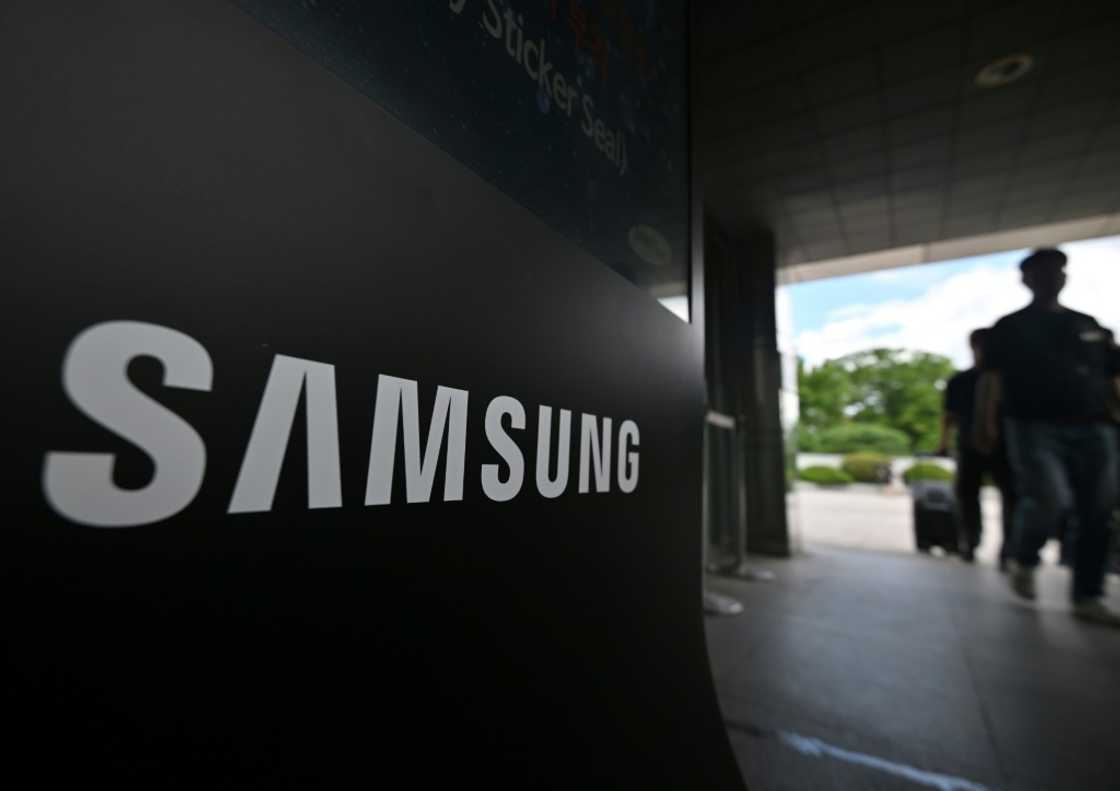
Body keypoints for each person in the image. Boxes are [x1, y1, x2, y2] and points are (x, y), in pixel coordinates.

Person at [976, 248, 1120, 626]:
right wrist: (987, 424)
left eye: (1057, 271)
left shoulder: (1089, 326)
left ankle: (1088, 595)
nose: (1051, 278)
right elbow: (991, 380)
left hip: (1093, 426)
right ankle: (1024, 557)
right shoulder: (1008, 328)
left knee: (1098, 511)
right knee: (1048, 498)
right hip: (1032, 425)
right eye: (1041, 272)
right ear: (1026, 280)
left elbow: (1111, 378)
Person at [938, 329, 1015, 567]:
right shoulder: (960, 381)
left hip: (1005, 447)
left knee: (1012, 498)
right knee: (967, 495)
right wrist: (943, 443)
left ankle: (1008, 550)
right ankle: (970, 542)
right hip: (969, 445)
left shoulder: (1011, 380)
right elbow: (949, 416)